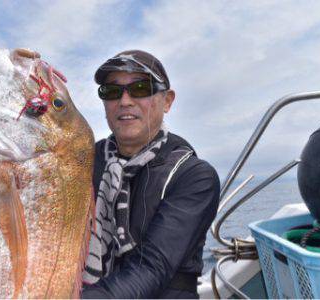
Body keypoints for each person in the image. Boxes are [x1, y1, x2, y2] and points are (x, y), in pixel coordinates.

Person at [81, 50, 220, 299]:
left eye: (140, 88)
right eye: (112, 91)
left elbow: (151, 267)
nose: (124, 101)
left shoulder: (195, 176)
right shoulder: (83, 162)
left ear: (167, 101)